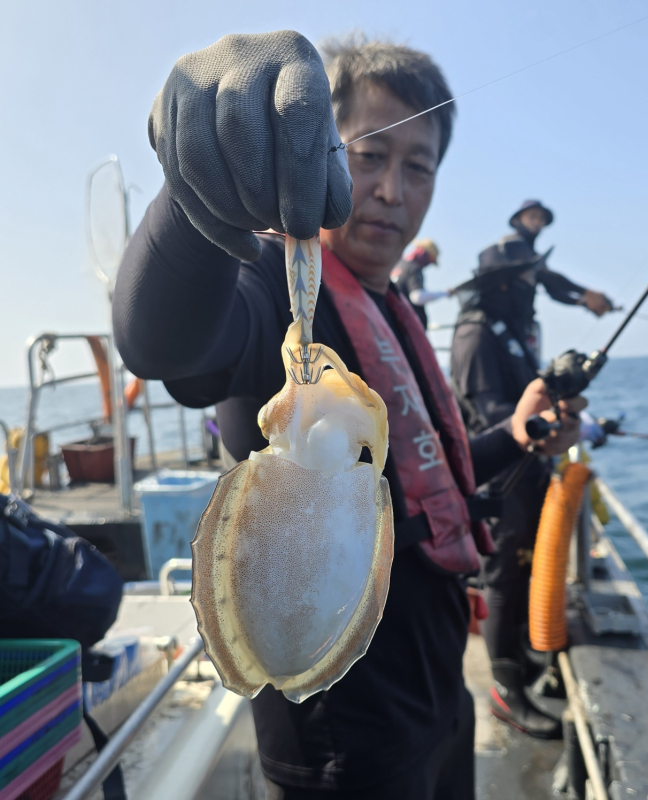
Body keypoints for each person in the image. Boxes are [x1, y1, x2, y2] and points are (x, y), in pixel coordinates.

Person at [113, 31, 587, 799]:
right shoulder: (270, 278)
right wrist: (196, 195)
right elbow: (164, 342)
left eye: (418, 166)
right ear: (320, 151)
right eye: (368, 155)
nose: (393, 191)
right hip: (340, 739)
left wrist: (515, 436)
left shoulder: (392, 305)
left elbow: (426, 480)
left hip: (435, 696)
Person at [450, 244, 565, 738]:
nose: (531, 290)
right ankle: (504, 690)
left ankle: (524, 664)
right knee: (501, 581)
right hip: (500, 479)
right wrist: (542, 424)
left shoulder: (512, 331)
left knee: (523, 574)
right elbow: (494, 414)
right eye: (524, 281)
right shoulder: (475, 334)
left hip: (530, 474)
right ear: (501, 285)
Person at [501, 199, 615, 343]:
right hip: (498, 327)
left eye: (541, 219)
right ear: (517, 221)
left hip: (517, 328)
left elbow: (554, 292)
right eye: (532, 217)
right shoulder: (511, 246)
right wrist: (588, 293)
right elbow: (548, 276)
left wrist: (584, 302)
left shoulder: (533, 257)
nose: (537, 222)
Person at [390, 238, 448, 328]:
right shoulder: (414, 268)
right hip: (410, 327)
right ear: (422, 252)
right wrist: (445, 293)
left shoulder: (397, 265)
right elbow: (417, 297)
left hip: (395, 323)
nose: (427, 265)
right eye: (429, 260)